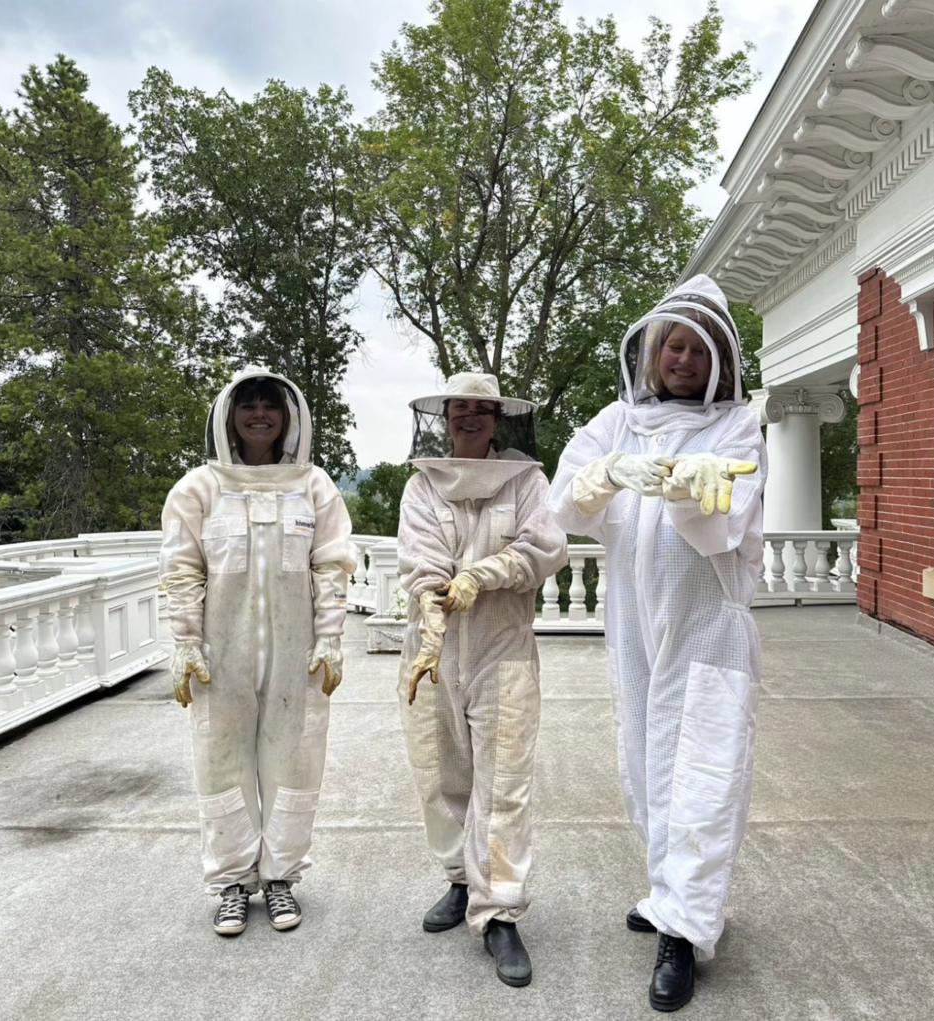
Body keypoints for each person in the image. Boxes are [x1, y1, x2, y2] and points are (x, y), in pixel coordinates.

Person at [547, 276, 766, 1012]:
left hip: (708, 624)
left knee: (702, 769)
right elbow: (564, 505)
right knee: (646, 761)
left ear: (719, 360)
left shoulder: (737, 427)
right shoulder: (619, 419)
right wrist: (606, 473)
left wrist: (687, 490)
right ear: (653, 349)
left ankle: (687, 929)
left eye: (697, 349)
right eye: (673, 344)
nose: (682, 358)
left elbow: (720, 530)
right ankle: (668, 891)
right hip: (637, 623)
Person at [159, 369, 356, 936]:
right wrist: (187, 642)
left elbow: (332, 565)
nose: (260, 413)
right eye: (249, 403)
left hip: (298, 659)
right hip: (221, 659)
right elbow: (180, 568)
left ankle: (280, 880)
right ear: (229, 415)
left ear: (289, 416)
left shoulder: (313, 486)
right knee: (221, 766)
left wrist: (330, 638)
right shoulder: (200, 487)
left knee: (294, 762)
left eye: (271, 404)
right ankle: (231, 883)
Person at [397, 372, 568, 987]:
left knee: (503, 785)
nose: (467, 418)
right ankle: (459, 880)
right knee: (442, 775)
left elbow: (545, 548)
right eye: (457, 408)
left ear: (497, 419)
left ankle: (499, 911)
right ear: (444, 417)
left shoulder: (526, 481)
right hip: (432, 651)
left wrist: (482, 575)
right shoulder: (422, 485)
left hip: (503, 651)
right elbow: (418, 559)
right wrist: (437, 599)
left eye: (479, 409)